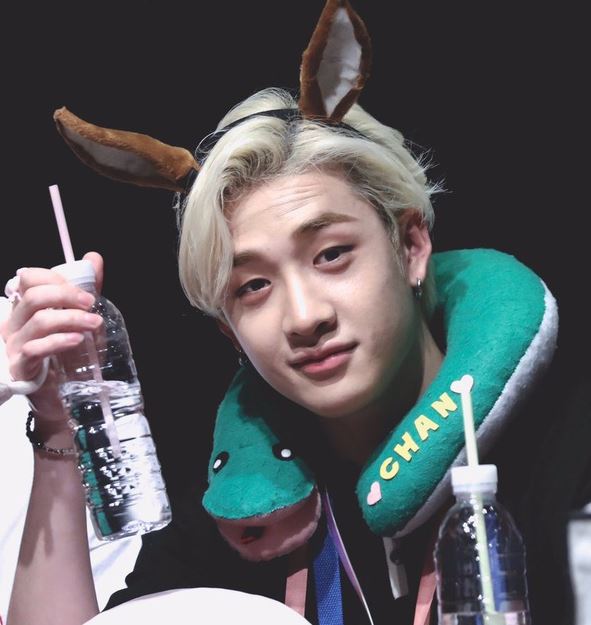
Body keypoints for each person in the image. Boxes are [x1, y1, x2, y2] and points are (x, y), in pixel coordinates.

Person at [1, 2, 588, 624]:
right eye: (253, 286)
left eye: (332, 255)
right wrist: (60, 428)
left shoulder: (569, 446)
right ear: (229, 332)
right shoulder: (245, 508)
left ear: (411, 246)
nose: (304, 317)